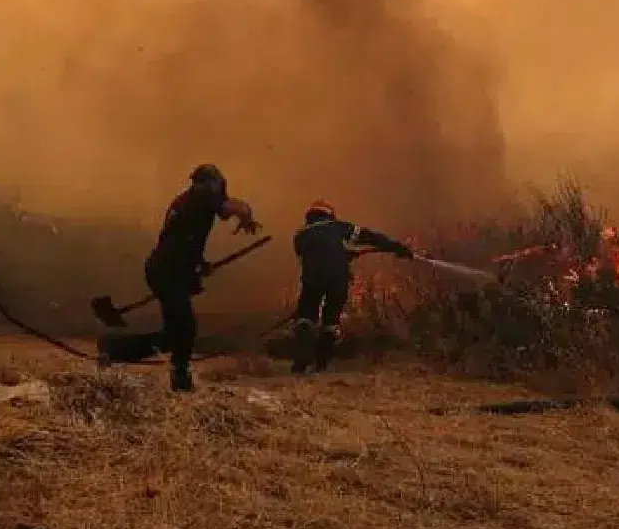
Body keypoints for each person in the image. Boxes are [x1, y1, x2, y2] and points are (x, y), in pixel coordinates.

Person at [97, 163, 260, 392]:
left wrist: (200, 265)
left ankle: (116, 350)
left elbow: (184, 241)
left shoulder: (188, 203)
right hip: (168, 272)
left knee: (175, 334)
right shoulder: (200, 196)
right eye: (218, 185)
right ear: (210, 184)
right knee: (185, 329)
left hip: (166, 270)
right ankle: (176, 374)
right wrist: (246, 212)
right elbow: (230, 209)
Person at [290, 199, 414, 375]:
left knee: (305, 319)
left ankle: (301, 363)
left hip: (313, 279)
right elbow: (369, 237)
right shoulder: (338, 227)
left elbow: (313, 253)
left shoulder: (301, 235)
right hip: (337, 279)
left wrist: (343, 254)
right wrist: (397, 248)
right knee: (330, 321)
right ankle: (321, 364)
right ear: (329, 215)